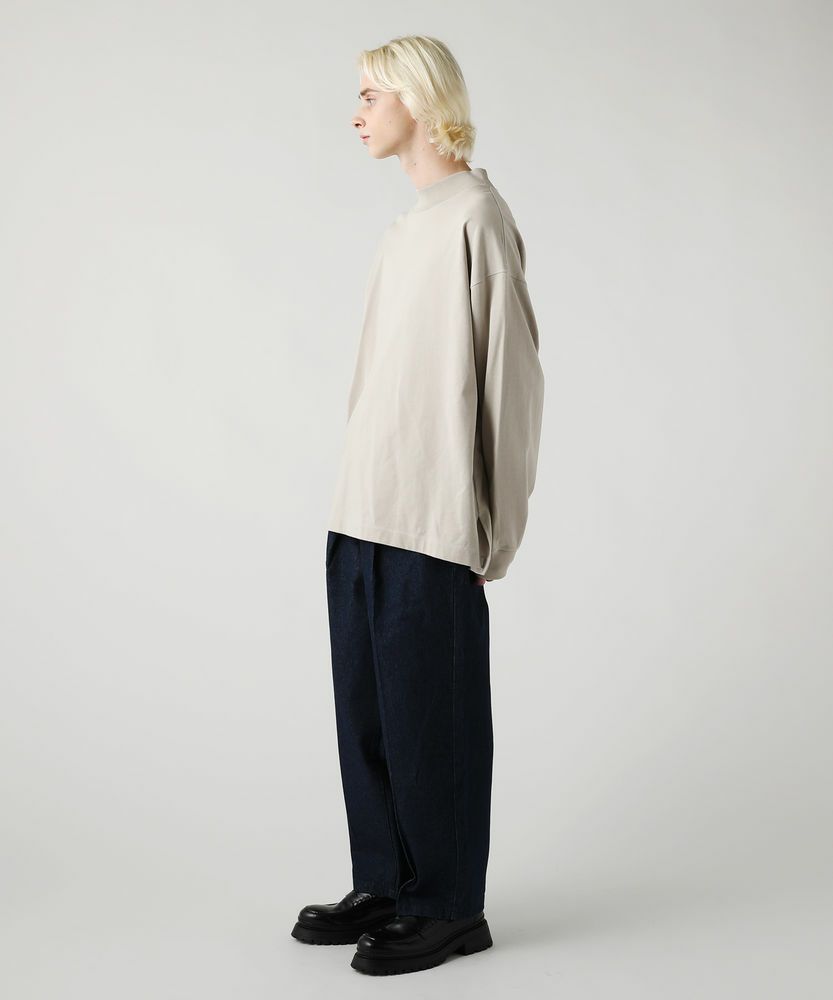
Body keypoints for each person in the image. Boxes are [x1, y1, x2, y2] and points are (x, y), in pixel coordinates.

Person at [291, 34, 545, 976]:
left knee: (432, 716)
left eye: (370, 94)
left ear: (418, 99)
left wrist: (494, 530)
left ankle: (446, 906)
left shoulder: (477, 217)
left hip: (433, 517)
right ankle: (388, 882)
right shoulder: (404, 229)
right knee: (369, 715)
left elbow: (510, 385)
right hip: (364, 508)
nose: (356, 112)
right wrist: (348, 498)